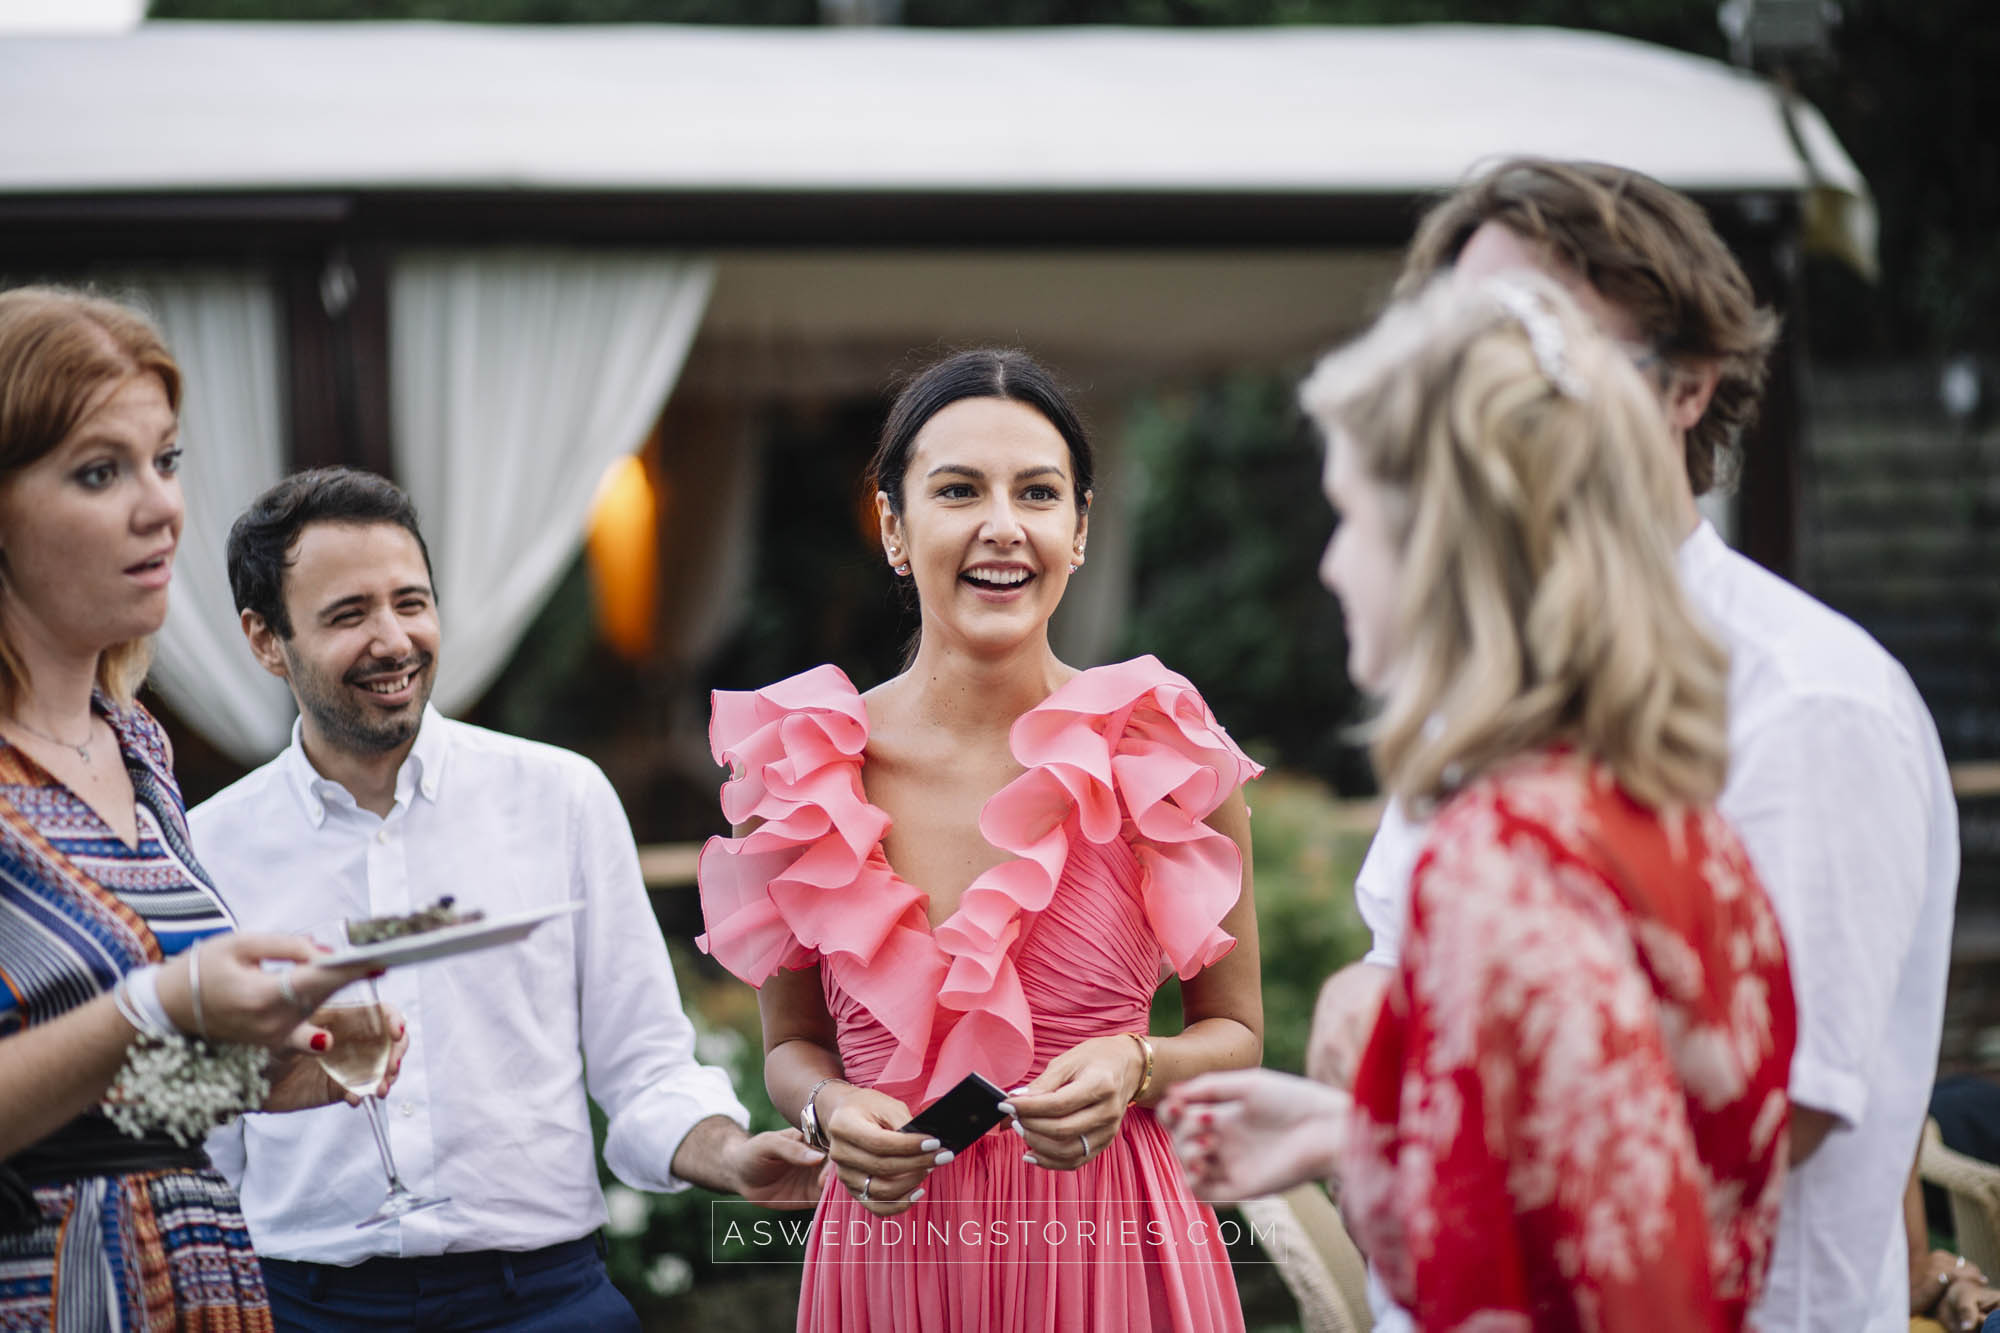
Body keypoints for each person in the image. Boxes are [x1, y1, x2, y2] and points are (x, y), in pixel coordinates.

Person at [1306, 158, 1960, 1333]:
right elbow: (1398, 965)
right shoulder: (1492, 690)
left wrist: (1372, 1106)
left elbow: (1762, 1119)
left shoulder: (1807, 701)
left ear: (1683, 388)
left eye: (1526, 340)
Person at [1167, 273, 1799, 1330]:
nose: (1329, 566)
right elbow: (1582, 1191)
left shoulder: (1500, 859)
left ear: (1443, 550)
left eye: (1349, 519)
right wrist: (1348, 1129)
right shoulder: (1662, 814)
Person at [695, 348, 1265, 1331]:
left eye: (1036, 493)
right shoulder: (798, 772)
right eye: (957, 490)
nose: (1002, 526)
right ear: (893, 527)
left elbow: (1239, 1035)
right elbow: (792, 1043)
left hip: (1110, 1252)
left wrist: (1137, 1063)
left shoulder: (1162, 748)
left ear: (1077, 530)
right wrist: (827, 1110)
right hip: (889, 1259)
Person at [190, 467, 829, 1331]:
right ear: (266, 640)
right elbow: (200, 1126)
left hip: (546, 1300)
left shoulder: (561, 798)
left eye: (410, 602)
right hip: (305, 1305)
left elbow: (643, 1063)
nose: (394, 639)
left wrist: (730, 1154)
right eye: (349, 614)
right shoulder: (204, 846)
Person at [0, 286, 393, 1328]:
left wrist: (278, 1068)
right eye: (99, 470)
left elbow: (115, 1103)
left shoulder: (133, 743)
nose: (162, 505)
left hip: (198, 1273)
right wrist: (163, 1001)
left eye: (164, 460)